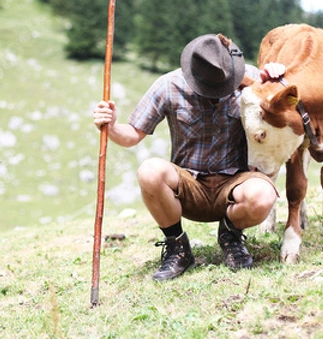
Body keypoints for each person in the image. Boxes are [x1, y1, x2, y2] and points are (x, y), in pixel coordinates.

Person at [93, 33, 284, 281]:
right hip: (189, 186)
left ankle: (231, 235)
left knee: (263, 196)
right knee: (149, 171)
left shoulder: (254, 79)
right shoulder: (168, 85)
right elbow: (131, 135)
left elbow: (290, 107)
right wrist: (111, 125)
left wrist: (279, 78)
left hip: (236, 183)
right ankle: (177, 248)